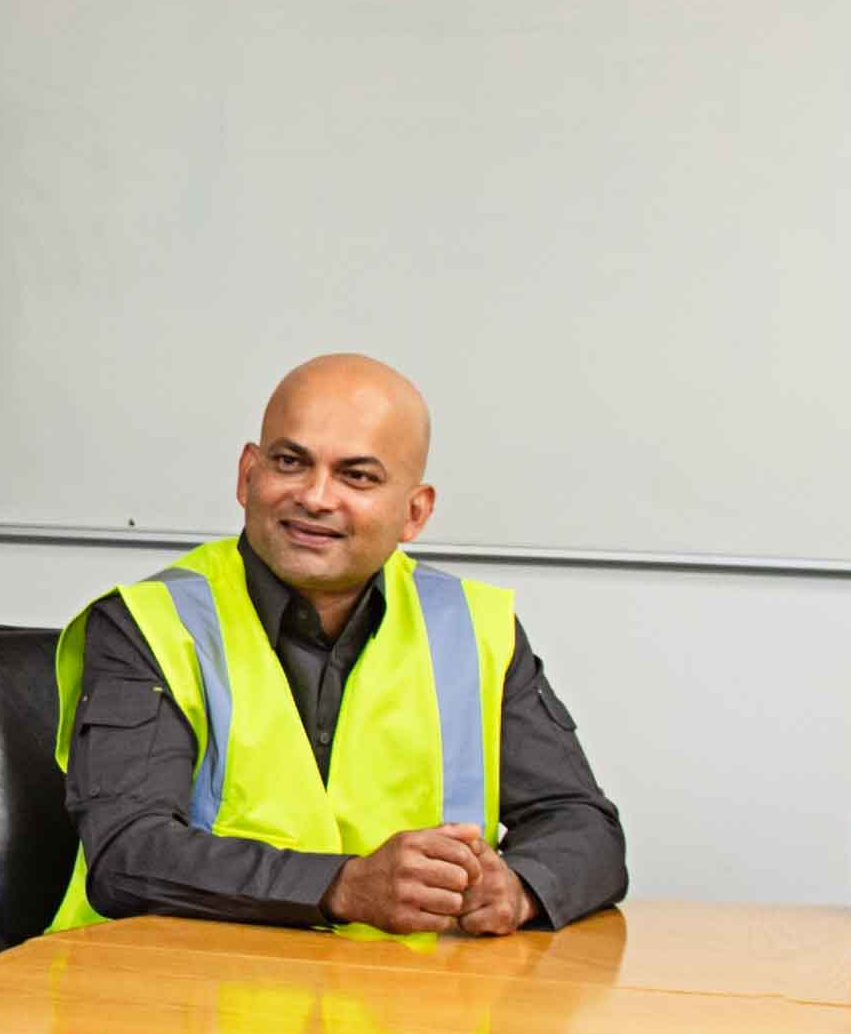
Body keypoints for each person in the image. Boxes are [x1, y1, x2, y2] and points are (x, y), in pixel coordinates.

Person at [53, 352, 627, 936]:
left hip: (404, 989)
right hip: (176, 984)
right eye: (290, 462)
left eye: (357, 476)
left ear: (414, 512)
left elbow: (585, 826)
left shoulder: (473, 627)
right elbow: (129, 856)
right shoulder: (150, 623)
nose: (316, 497)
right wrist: (342, 886)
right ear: (247, 475)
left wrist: (519, 887)